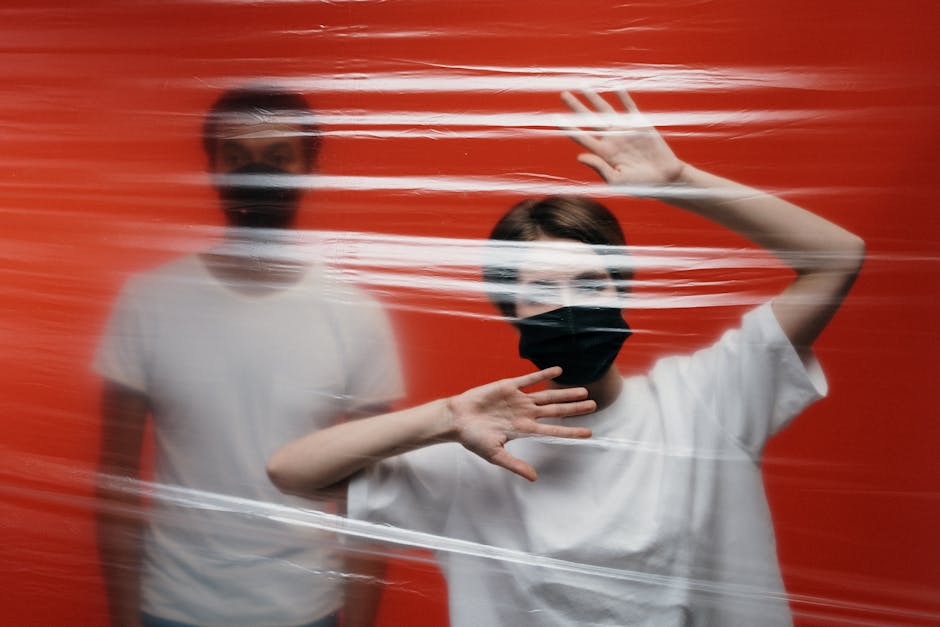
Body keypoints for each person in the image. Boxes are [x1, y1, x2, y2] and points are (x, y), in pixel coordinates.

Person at [266, 89, 865, 626]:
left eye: (589, 284)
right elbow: (290, 472)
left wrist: (679, 179)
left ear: (623, 289)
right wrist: (446, 418)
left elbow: (838, 257)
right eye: (541, 293)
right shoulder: (478, 448)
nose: (569, 308)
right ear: (510, 314)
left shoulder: (707, 400)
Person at [94, 87, 406, 627]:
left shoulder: (356, 315)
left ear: (310, 166)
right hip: (171, 609)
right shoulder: (148, 300)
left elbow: (370, 496)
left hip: (307, 610)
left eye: (279, 156)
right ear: (212, 168)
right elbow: (115, 477)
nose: (256, 172)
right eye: (236, 156)